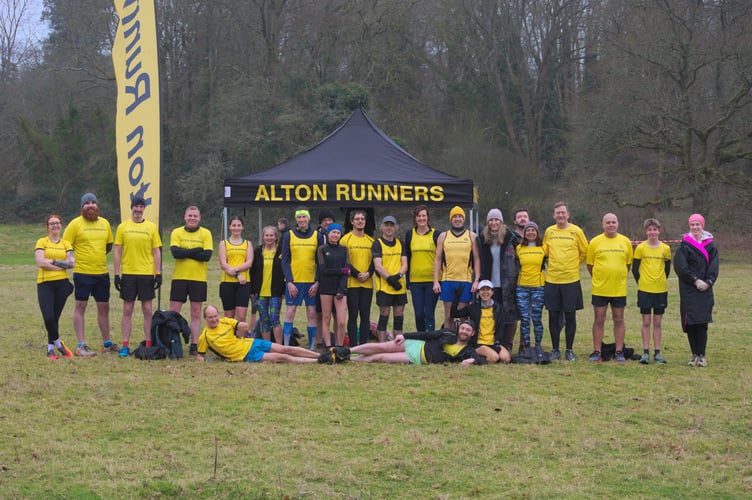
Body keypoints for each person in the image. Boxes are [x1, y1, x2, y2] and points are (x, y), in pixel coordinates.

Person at [63, 193, 116, 356]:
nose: (91, 205)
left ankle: (107, 344)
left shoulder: (105, 223)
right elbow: (66, 245)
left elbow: (108, 246)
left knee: (104, 307)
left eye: (93, 202)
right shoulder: (75, 224)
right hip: (82, 273)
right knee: (81, 306)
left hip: (101, 273)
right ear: (82, 207)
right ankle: (81, 345)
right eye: (87, 203)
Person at [113, 197, 162, 357]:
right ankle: (125, 345)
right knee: (128, 309)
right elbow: (118, 251)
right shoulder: (123, 227)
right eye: (136, 206)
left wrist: (158, 273)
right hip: (128, 273)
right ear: (131, 208)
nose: (138, 209)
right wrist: (116, 274)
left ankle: (148, 343)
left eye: (141, 207)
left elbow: (156, 251)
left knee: (147, 309)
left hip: (146, 274)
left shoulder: (151, 227)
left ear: (144, 209)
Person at [542, 202, 588, 361]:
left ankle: (569, 350)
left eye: (563, 213)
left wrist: (573, 265)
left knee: (570, 316)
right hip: (552, 280)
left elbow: (584, 252)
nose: (560, 215)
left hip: (571, 280)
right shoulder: (549, 231)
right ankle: (555, 349)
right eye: (557, 213)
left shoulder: (576, 231)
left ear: (568, 215)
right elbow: (545, 253)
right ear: (554, 216)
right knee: (553, 315)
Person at [196, 305, 322, 363]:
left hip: (251, 342)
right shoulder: (204, 336)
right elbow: (200, 356)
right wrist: (206, 361)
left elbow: (248, 327)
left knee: (285, 348)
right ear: (205, 318)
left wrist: (253, 313)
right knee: (282, 357)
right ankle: (317, 361)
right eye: (210, 317)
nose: (214, 319)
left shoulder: (225, 321)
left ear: (219, 315)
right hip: (246, 356)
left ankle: (320, 356)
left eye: (215, 316)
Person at [586, 213, 633, 363]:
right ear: (603, 225)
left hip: (618, 289)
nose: (611, 225)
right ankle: (597, 351)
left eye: (613, 222)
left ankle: (619, 351)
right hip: (600, 289)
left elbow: (628, 265)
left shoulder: (625, 242)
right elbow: (590, 265)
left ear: (617, 224)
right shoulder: (594, 242)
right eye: (608, 223)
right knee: (599, 320)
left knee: (618, 319)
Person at [674, 213, 719, 367]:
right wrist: (694, 280)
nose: (695, 227)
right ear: (689, 226)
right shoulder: (684, 245)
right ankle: (694, 355)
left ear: (702, 225)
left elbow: (714, 266)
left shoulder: (711, 245)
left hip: (705, 289)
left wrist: (708, 282)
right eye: (692, 224)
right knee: (691, 322)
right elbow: (681, 267)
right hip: (689, 289)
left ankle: (702, 355)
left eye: (697, 224)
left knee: (701, 322)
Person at [169, 206, 213, 354]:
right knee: (174, 312)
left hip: (198, 279)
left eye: (195, 216)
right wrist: (196, 250)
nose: (192, 218)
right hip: (179, 277)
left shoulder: (206, 233)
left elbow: (206, 256)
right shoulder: (176, 232)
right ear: (185, 217)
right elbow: (175, 253)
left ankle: (194, 345)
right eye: (190, 216)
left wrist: (185, 252)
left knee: (195, 313)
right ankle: (172, 342)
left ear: (199, 218)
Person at [349, 320, 487, 365]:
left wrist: (471, 361)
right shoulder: (448, 333)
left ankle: (351, 359)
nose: (464, 331)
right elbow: (427, 334)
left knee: (381, 357)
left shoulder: (468, 351)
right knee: (382, 347)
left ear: (472, 333)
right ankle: (348, 351)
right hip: (416, 344)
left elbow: (482, 361)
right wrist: (404, 335)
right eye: (462, 328)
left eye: (467, 330)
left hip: (417, 358)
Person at [281, 206, 324, 348]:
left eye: (304, 217)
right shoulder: (289, 235)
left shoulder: (316, 236)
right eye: (299, 217)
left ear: (308, 218)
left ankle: (311, 346)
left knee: (311, 313)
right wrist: (289, 282)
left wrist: (317, 282)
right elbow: (285, 260)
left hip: (311, 282)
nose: (301, 220)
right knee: (290, 312)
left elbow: (320, 262)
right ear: (296, 219)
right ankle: (286, 345)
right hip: (295, 282)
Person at [478, 208, 520, 349]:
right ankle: (493, 341)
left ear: (501, 221)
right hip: (489, 284)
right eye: (491, 220)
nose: (494, 222)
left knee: (510, 315)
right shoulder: (482, 238)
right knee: (492, 315)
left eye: (496, 220)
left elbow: (518, 260)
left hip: (507, 283)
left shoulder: (511, 238)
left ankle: (508, 344)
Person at [433, 206, 481, 331]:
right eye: (455, 217)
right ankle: (448, 341)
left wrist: (476, 280)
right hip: (448, 280)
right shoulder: (443, 236)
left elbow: (476, 259)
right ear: (451, 219)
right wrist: (436, 281)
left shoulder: (472, 236)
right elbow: (438, 259)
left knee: (463, 316)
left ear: (464, 219)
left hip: (465, 281)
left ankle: (462, 345)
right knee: (449, 316)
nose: (457, 219)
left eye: (460, 216)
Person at [632, 218, 672, 364]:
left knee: (657, 322)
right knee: (646, 321)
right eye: (649, 230)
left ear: (659, 231)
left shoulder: (665, 249)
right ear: (646, 232)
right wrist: (642, 282)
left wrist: (659, 281)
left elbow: (667, 270)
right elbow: (635, 270)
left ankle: (657, 353)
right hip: (645, 290)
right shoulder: (640, 248)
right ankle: (645, 353)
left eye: (655, 229)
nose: (652, 232)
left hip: (660, 290)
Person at [35, 214, 75, 359]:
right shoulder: (42, 242)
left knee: (55, 318)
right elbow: (40, 262)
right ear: (47, 227)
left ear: (61, 225)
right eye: (52, 223)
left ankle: (50, 350)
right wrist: (60, 264)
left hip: (62, 285)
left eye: (57, 223)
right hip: (44, 284)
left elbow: (71, 263)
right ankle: (58, 344)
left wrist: (51, 260)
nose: (55, 226)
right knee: (48, 317)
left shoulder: (66, 244)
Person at [451, 280, 511, 363]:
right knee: (494, 358)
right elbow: (454, 314)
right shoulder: (473, 308)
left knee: (506, 359)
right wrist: (456, 298)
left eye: (488, 289)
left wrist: (500, 342)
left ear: (492, 292)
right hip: (478, 343)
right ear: (478, 292)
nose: (485, 292)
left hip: (494, 342)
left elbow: (502, 327)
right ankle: (474, 359)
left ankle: (480, 356)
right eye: (482, 290)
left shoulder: (498, 308)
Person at [340, 209, 375, 346]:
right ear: (352, 221)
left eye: (362, 219)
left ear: (365, 222)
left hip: (367, 283)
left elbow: (375, 261)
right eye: (357, 219)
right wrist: (356, 274)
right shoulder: (345, 239)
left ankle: (364, 345)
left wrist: (368, 273)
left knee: (365, 315)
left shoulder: (371, 241)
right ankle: (353, 346)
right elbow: (344, 261)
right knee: (353, 315)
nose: (360, 221)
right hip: (352, 283)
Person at [372, 215, 408, 342]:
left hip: (399, 286)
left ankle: (396, 345)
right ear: (382, 227)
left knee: (399, 317)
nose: (389, 228)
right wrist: (390, 279)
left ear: (395, 228)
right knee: (384, 316)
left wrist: (398, 277)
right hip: (384, 286)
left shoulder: (401, 244)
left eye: (391, 225)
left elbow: (404, 264)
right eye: (386, 225)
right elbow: (378, 266)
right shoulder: (377, 244)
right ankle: (382, 345)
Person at [405, 205, 440, 332]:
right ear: (415, 218)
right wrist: (407, 280)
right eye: (419, 216)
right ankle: (420, 341)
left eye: (424, 215)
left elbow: (441, 258)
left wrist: (438, 281)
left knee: (429, 314)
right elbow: (408, 257)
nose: (421, 218)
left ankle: (430, 343)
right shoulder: (410, 234)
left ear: (428, 217)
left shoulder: (436, 234)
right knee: (419, 314)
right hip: (416, 281)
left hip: (432, 281)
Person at [515, 221, 547, 357]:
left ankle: (538, 346)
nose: (530, 233)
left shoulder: (544, 248)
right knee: (524, 319)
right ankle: (526, 347)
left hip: (538, 287)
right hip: (522, 287)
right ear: (524, 233)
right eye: (528, 230)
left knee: (536, 318)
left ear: (537, 232)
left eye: (533, 230)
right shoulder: (519, 248)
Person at [316, 223, 349, 347]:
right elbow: (323, 270)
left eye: (338, 233)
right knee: (326, 318)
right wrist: (340, 271)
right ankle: (329, 346)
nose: (335, 235)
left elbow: (347, 271)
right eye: (333, 232)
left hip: (340, 288)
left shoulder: (344, 249)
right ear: (328, 234)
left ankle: (339, 346)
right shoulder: (322, 249)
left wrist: (341, 289)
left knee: (340, 321)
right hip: (326, 288)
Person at [251, 225, 285, 343]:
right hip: (261, 292)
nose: (269, 238)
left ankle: (279, 346)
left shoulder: (281, 251)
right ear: (263, 237)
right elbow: (253, 271)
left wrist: (284, 291)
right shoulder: (258, 251)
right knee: (264, 320)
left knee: (274, 319)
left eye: (271, 235)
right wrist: (252, 291)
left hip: (276, 292)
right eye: (267, 235)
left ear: (276, 237)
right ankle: (268, 346)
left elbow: (286, 271)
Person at [217, 216, 254, 325]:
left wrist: (235, 270)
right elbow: (223, 264)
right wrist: (237, 274)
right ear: (229, 227)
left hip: (244, 284)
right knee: (229, 316)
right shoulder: (223, 243)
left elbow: (249, 263)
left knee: (241, 316)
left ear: (242, 227)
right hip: (227, 283)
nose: (236, 228)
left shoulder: (248, 244)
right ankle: (230, 340)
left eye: (239, 225)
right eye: (234, 225)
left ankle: (240, 340)